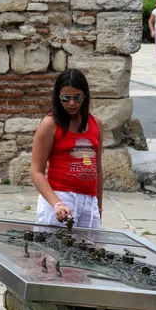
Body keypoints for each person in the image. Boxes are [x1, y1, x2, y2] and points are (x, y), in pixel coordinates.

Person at [31, 69, 103, 229]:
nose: (72, 103)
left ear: (85, 96)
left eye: (77, 98)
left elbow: (98, 171)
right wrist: (56, 204)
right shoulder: (50, 124)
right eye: (66, 98)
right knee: (52, 252)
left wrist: (99, 207)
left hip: (89, 203)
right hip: (60, 197)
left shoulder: (96, 124)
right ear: (58, 98)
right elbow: (36, 171)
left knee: (89, 252)